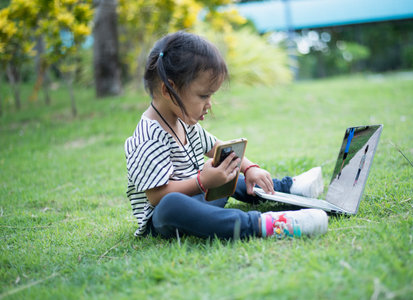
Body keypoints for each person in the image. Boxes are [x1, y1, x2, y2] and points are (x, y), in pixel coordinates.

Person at [125, 31, 328, 240]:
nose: (209, 103)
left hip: (201, 195)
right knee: (171, 205)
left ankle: (290, 188)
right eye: (203, 95)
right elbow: (157, 196)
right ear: (168, 89)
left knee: (228, 173)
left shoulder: (184, 122)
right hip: (168, 219)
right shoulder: (147, 138)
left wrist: (249, 167)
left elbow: (215, 146)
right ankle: (266, 225)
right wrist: (202, 182)